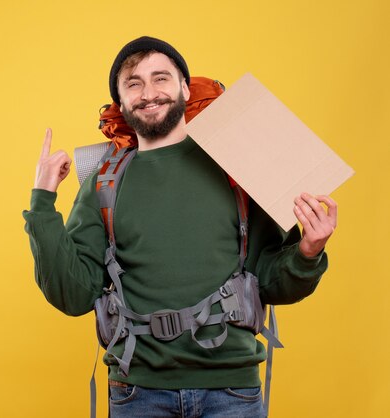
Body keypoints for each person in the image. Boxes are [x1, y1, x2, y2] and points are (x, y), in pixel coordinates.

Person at [23, 36, 337, 418]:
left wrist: (308, 252)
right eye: (134, 83)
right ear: (121, 104)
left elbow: (271, 281)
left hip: (232, 390)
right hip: (137, 392)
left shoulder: (238, 165)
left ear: (185, 88)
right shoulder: (103, 181)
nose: (149, 93)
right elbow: (72, 296)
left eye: (161, 78)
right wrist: (42, 201)